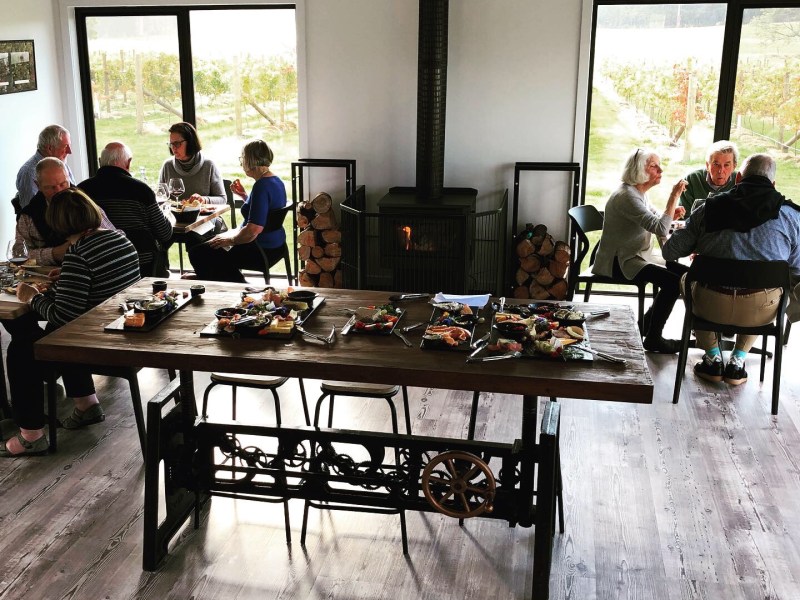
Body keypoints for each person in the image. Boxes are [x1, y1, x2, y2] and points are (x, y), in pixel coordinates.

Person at [0, 188, 140, 457]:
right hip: (123, 331)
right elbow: (96, 287)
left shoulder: (79, 255)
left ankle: (31, 435)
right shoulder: (119, 240)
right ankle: (87, 404)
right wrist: (66, 276)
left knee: (22, 350)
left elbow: (64, 316)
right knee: (37, 333)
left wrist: (31, 297)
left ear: (58, 222)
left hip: (101, 346)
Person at [663, 153, 800, 386]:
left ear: (737, 179)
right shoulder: (792, 217)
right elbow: (797, 269)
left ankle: (713, 358)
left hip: (710, 305)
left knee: (686, 278)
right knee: (776, 287)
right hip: (761, 311)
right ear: (773, 184)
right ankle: (738, 361)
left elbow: (670, 252)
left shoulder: (707, 209)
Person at [592, 148, 689, 354]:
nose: (660, 170)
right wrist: (673, 197)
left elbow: (659, 223)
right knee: (672, 283)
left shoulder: (638, 194)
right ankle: (653, 337)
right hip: (619, 261)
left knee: (681, 274)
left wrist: (672, 215)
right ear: (639, 170)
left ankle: (645, 326)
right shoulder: (626, 196)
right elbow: (661, 228)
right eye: (654, 166)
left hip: (636, 256)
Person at [188, 139, 287, 282]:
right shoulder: (275, 181)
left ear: (251, 160)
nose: (241, 163)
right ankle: (211, 278)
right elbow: (264, 211)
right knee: (208, 246)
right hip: (276, 246)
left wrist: (231, 240)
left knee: (198, 253)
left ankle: (238, 286)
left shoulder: (261, 186)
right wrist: (244, 196)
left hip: (260, 249)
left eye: (243, 158)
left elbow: (253, 230)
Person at [79, 142, 172, 276]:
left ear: (101, 162)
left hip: (96, 262)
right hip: (141, 262)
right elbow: (164, 233)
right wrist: (168, 215)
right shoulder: (141, 190)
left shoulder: (82, 190)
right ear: (128, 163)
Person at [14, 157, 121, 267]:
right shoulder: (28, 216)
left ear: (69, 178)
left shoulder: (83, 203)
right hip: (45, 278)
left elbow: (118, 238)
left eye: (63, 184)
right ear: (38, 185)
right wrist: (54, 254)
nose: (59, 191)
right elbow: (19, 256)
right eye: (51, 187)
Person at [158, 121, 225, 205]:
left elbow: (222, 199)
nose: (173, 148)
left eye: (177, 144)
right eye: (171, 144)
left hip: (204, 216)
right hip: (176, 217)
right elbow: (160, 198)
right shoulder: (167, 166)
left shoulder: (208, 165)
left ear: (190, 142)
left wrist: (204, 200)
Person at [15, 124, 76, 211]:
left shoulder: (61, 163)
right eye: (66, 146)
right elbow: (31, 211)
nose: (70, 151)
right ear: (50, 149)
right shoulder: (29, 173)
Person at [678, 140, 738, 217]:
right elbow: (683, 216)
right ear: (707, 165)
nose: (721, 171)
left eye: (726, 165)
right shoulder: (692, 179)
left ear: (734, 167)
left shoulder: (740, 181)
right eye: (716, 164)